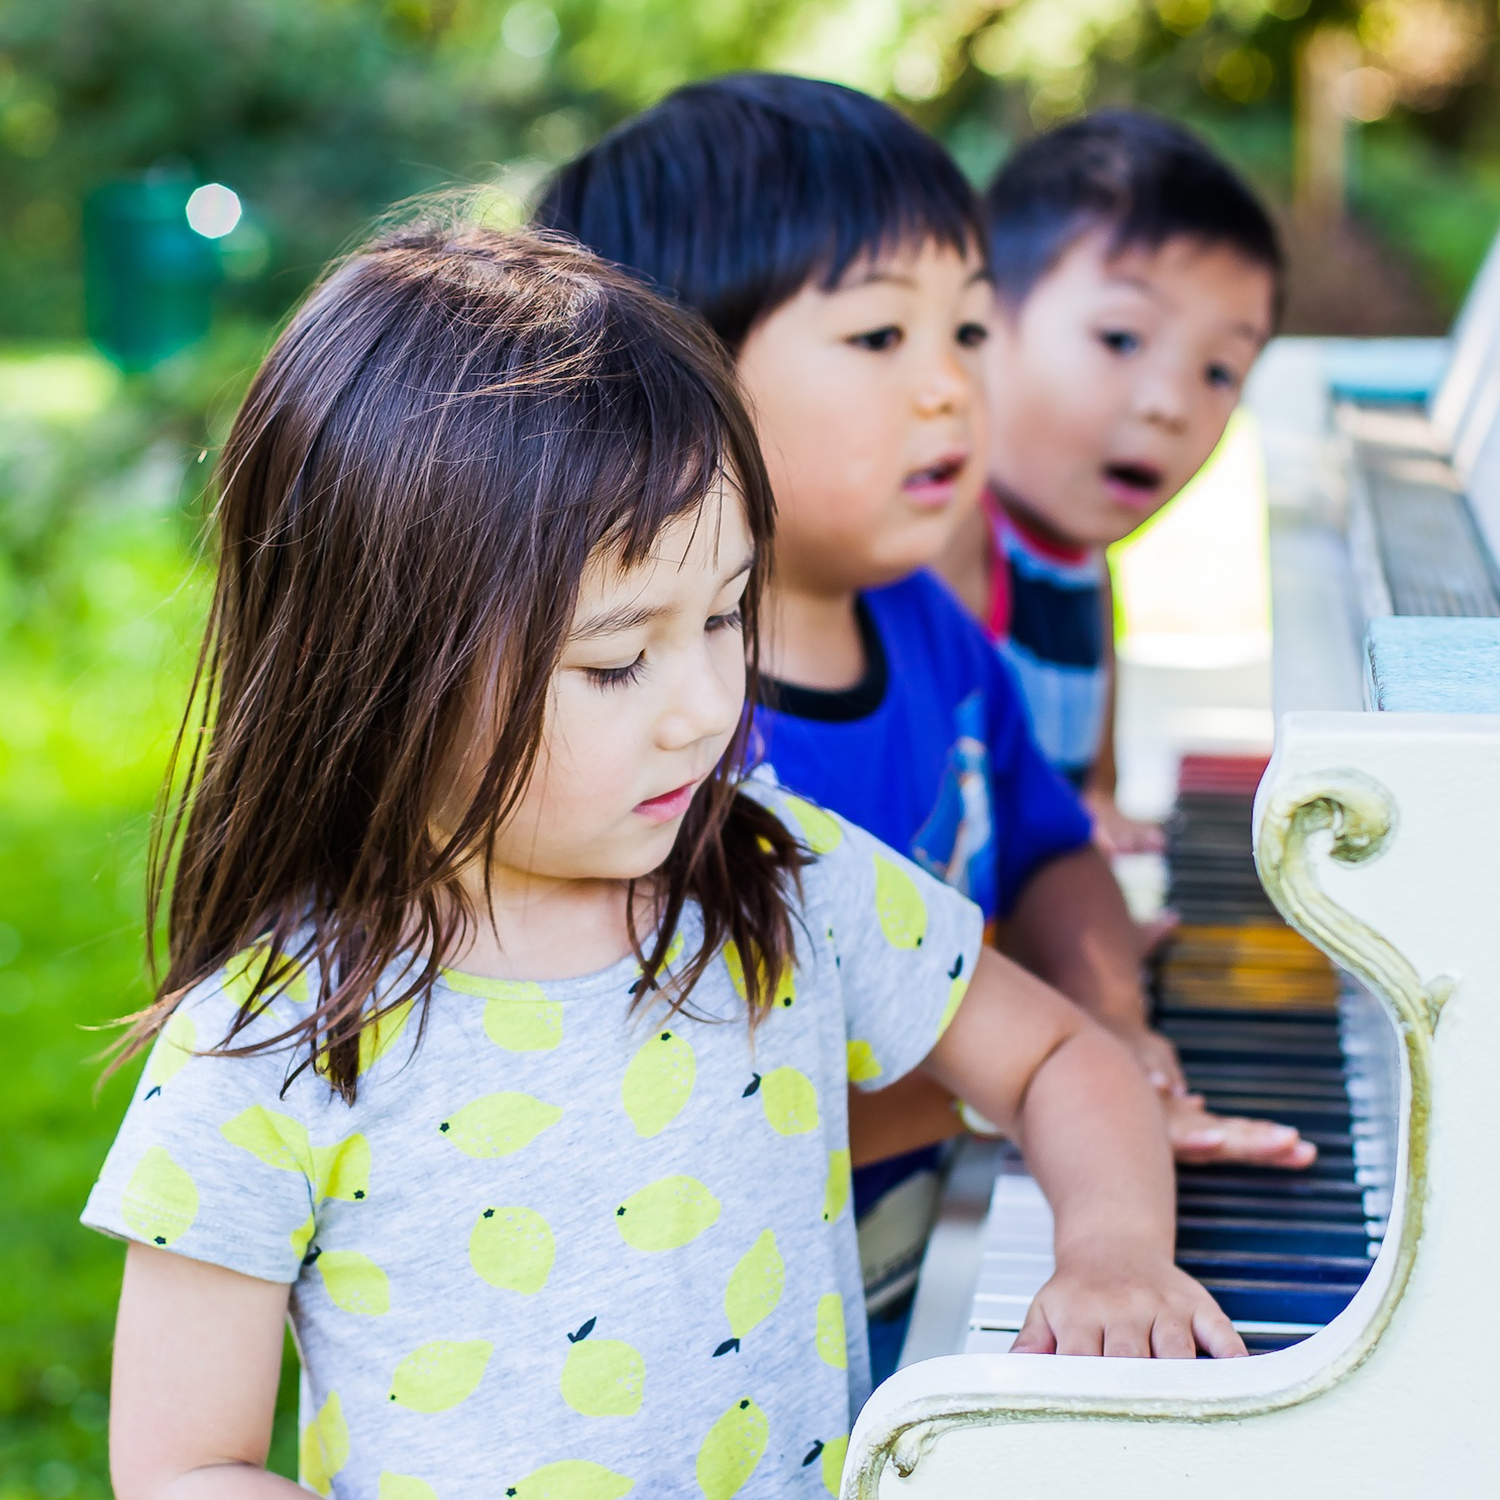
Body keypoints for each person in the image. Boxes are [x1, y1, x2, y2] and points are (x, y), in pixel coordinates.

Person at [85, 218, 1243, 1500]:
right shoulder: (272, 1042)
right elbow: (185, 1466)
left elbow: (1061, 1053)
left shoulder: (785, 881)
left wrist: (1118, 1247)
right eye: (618, 659)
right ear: (378, 665)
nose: (703, 703)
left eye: (726, 613)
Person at [535, 74, 1311, 1382]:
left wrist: (1112, 1030)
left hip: (949, 1231)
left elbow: (1053, 849)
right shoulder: (650, 739)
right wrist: (1035, 1080)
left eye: (968, 328)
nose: (955, 387)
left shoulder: (931, 632)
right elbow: (684, 1097)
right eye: (883, 339)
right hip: (725, 1331)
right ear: (678, 377)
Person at [933, 110, 1283, 857]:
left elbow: (1091, 801)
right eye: (1122, 338)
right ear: (978, 325)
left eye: (1220, 371)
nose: (1170, 404)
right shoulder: (952, 543)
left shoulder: (1085, 569)